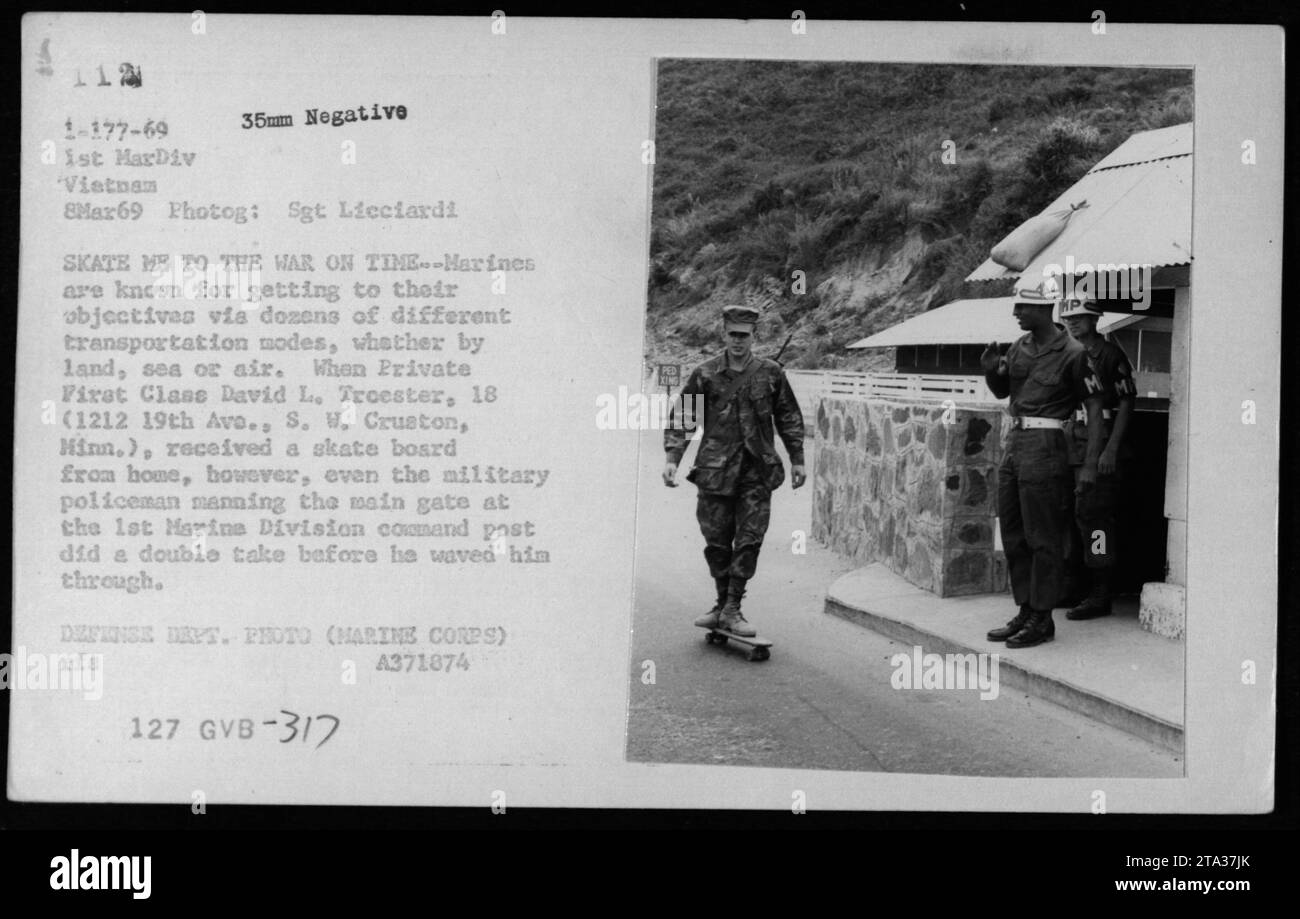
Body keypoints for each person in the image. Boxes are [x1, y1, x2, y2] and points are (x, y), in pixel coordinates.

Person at [663, 305, 806, 638]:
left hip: (756, 472)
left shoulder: (771, 373)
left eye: (744, 335)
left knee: (749, 539)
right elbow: (684, 418)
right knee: (716, 542)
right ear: (723, 334)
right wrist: (673, 457)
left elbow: (788, 417)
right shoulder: (705, 373)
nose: (738, 341)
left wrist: (798, 457)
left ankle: (732, 608)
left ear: (754, 336)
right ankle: (720, 603)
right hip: (715, 472)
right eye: (733, 335)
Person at [980, 283, 1106, 649]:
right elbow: (1004, 393)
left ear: (1042, 309)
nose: (1016, 313)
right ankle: (1026, 609)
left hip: (1047, 448)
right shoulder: (1020, 346)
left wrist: (1090, 464)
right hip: (1014, 447)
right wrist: (991, 371)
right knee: (1015, 536)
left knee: (1043, 538)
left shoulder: (1074, 353)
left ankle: (1042, 618)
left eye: (1022, 308)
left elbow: (1095, 408)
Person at [1060, 298, 1137, 620]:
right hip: (1074, 441)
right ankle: (1079, 588)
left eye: (1081, 318)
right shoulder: (1073, 354)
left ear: (1094, 320)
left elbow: (1126, 404)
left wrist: (1110, 450)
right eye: (1069, 318)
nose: (1074, 323)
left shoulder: (1110, 354)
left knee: (1097, 523)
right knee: (1077, 518)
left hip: (1101, 439)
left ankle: (1101, 593)